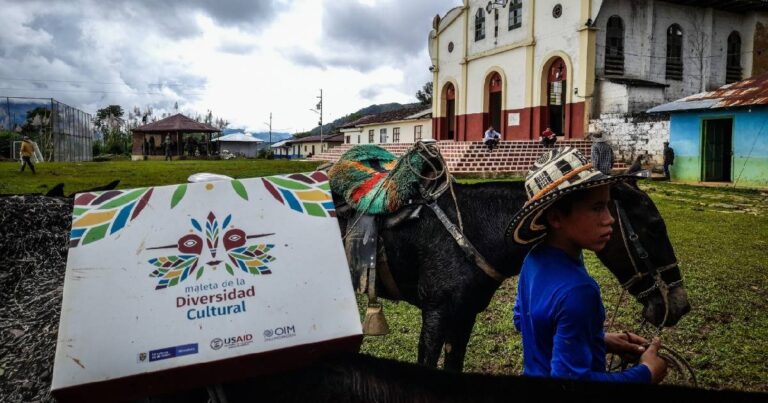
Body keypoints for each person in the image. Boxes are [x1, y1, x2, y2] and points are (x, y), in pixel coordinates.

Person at [507, 146, 668, 384]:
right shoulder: (579, 291)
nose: (610, 218)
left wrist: (596, 338)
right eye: (597, 208)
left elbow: (525, 322)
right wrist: (646, 373)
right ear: (556, 218)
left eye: (607, 206)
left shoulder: (533, 259)